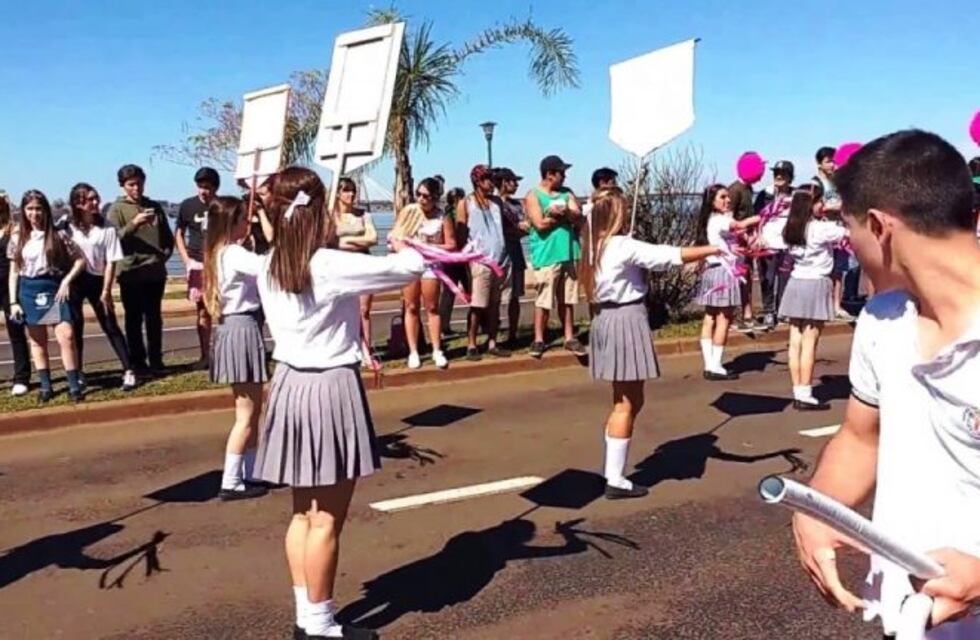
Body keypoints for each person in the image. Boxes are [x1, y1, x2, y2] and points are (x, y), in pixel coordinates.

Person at [791, 130, 980, 639]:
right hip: (911, 620)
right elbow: (860, 436)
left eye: (851, 232)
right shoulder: (881, 319)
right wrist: (817, 509)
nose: (851, 251)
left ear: (878, 227)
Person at [251, 167, 427, 640]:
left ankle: (307, 615)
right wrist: (402, 238)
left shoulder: (269, 263)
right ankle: (320, 625)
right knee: (326, 517)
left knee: (301, 514)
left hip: (288, 384)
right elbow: (409, 271)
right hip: (328, 386)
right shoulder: (327, 264)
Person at [579, 188, 719, 499]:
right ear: (615, 214)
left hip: (605, 319)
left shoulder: (592, 245)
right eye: (623, 209)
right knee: (626, 404)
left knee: (627, 400)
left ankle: (612, 470)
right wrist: (712, 249)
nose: (627, 213)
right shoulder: (621, 246)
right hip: (625, 319)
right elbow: (669, 256)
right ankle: (614, 478)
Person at [202, 196, 268, 501]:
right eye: (244, 218)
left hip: (235, 327)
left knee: (252, 411)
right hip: (242, 326)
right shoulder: (234, 253)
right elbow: (268, 267)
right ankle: (231, 480)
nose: (249, 222)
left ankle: (250, 472)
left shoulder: (218, 253)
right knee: (246, 413)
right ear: (232, 222)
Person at [7, 190, 86, 403]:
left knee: (66, 336)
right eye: (30, 209)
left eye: (38, 208)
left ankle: (73, 385)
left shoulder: (58, 235)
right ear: (23, 211)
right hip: (28, 290)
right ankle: (46, 386)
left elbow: (80, 260)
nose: (34, 213)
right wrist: (13, 301)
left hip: (53, 288)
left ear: (45, 210)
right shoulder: (17, 237)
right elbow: (14, 271)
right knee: (37, 341)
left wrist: (66, 281)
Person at [777, 182, 845, 410]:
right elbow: (848, 232)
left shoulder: (791, 228)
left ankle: (798, 390)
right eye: (819, 202)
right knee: (810, 341)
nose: (823, 205)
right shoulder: (820, 228)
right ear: (810, 204)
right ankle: (806, 393)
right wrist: (840, 211)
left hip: (796, 283)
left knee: (794, 341)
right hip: (816, 284)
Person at [67, 183, 136, 392]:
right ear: (79, 203)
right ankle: (78, 373)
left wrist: (106, 291)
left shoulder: (107, 228)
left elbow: (111, 262)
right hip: (76, 281)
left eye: (97, 198)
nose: (96, 202)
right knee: (75, 327)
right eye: (90, 199)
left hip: (98, 280)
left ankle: (129, 370)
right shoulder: (66, 226)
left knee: (110, 324)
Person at [106, 164, 174, 375]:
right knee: (133, 319)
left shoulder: (154, 206)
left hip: (154, 272)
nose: (136, 188)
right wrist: (133, 224)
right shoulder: (116, 209)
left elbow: (167, 237)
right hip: (131, 273)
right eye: (131, 184)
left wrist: (163, 256)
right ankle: (138, 362)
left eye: (139, 183)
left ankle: (156, 360)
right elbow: (112, 239)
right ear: (123, 186)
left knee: (154, 317)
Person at [694, 184, 760, 380]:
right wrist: (761, 216)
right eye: (722, 197)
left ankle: (710, 363)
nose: (727, 200)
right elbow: (739, 225)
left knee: (710, 317)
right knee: (723, 318)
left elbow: (730, 242)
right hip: (723, 272)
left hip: (713, 270)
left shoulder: (711, 221)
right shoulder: (721, 220)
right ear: (712, 201)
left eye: (727, 197)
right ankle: (715, 365)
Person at [525, 155, 585, 359]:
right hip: (546, 254)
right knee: (544, 299)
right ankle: (539, 339)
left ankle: (569, 336)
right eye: (561, 172)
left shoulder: (567, 194)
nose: (565, 176)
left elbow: (579, 217)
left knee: (567, 298)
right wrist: (555, 216)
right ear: (550, 174)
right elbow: (539, 223)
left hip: (568, 252)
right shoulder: (533, 195)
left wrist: (566, 212)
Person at [392, 177, 455, 370]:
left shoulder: (442, 217)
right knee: (410, 307)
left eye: (426, 196)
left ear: (435, 197)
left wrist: (430, 247)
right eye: (418, 194)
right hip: (411, 265)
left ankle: (436, 349)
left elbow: (451, 244)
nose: (421, 199)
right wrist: (405, 250)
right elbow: (396, 237)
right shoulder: (409, 212)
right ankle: (413, 352)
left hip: (431, 266)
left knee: (432, 307)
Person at [456, 165, 511, 360]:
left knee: (495, 304)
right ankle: (471, 343)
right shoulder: (466, 203)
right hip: (479, 261)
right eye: (487, 178)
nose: (491, 182)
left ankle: (492, 341)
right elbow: (461, 235)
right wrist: (465, 260)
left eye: (492, 178)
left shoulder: (497, 202)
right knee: (478, 304)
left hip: (500, 260)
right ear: (477, 181)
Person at [176, 167, 219, 370]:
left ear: (215, 188)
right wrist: (186, 260)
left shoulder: (221, 206)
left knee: (224, 309)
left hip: (219, 264)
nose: (204, 191)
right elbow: (179, 233)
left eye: (208, 187)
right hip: (197, 264)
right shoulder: (187, 206)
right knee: (202, 311)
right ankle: (205, 356)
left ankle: (226, 353)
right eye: (201, 187)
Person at [333, 177, 378, 364]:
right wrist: (357, 240)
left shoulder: (363, 215)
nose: (351, 194)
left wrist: (347, 242)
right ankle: (344, 348)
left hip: (363, 264)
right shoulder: (330, 215)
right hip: (339, 267)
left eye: (353, 191)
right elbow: (329, 241)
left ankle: (366, 350)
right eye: (346, 191)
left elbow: (373, 238)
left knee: (363, 310)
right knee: (339, 310)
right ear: (337, 193)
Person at [755, 160, 795, 331]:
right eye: (776, 173)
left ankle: (782, 311)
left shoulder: (796, 196)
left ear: (790, 177)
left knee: (785, 280)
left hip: (788, 245)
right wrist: (758, 236)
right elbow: (755, 218)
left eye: (783, 173)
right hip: (768, 244)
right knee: (768, 279)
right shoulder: (765, 194)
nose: (779, 176)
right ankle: (769, 311)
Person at [729, 153, 765, 332]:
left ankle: (747, 312)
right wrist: (743, 236)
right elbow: (729, 220)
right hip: (737, 243)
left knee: (748, 277)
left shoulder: (748, 189)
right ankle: (737, 315)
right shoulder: (735, 190)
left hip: (749, 241)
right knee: (739, 277)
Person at [0, 194, 31, 396]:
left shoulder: (13, 229)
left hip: (8, 285)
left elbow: (17, 260)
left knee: (16, 331)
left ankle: (21, 378)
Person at [494, 168, 529, 345]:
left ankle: (513, 334)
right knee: (493, 297)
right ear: (502, 183)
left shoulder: (517, 205)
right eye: (512, 181)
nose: (516, 184)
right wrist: (514, 230)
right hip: (496, 257)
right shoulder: (492, 204)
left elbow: (525, 228)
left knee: (514, 296)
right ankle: (492, 332)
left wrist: (516, 231)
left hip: (515, 253)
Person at [438, 187, 468, 340]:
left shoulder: (446, 214)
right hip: (457, 257)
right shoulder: (454, 215)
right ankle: (481, 322)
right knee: (468, 290)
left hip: (449, 259)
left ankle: (444, 326)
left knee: (448, 293)